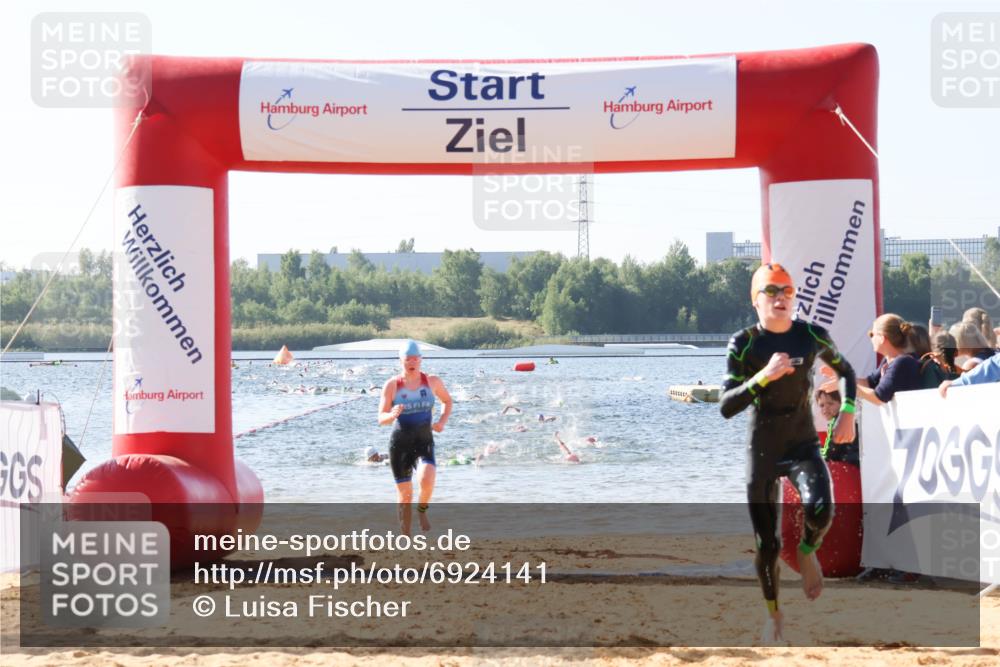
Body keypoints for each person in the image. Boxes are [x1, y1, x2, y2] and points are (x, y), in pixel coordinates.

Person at [720, 263, 856, 644]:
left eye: (788, 291)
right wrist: (764, 376)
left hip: (800, 445)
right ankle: (774, 613)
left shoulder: (811, 335)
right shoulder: (743, 343)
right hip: (762, 449)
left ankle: (808, 550)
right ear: (755, 300)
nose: (781, 298)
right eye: (772, 291)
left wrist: (847, 410)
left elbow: (845, 371)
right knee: (767, 545)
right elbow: (726, 405)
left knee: (821, 508)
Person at [378, 340, 453, 535]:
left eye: (415, 359)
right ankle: (405, 534)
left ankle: (422, 511)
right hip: (400, 444)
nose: (411, 363)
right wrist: (392, 414)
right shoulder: (392, 385)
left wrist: (442, 421)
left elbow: (447, 401)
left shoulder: (432, 381)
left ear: (421, 360)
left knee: (427, 480)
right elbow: (381, 418)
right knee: (405, 495)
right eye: (407, 359)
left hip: (424, 441)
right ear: (400, 361)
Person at [856, 315, 922, 405]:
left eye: (872, 334)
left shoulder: (902, 363)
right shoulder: (890, 361)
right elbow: (869, 383)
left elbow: (879, 398)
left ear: (882, 338)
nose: (871, 338)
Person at [814, 388, 860, 466]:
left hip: (852, 465)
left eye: (830, 403)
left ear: (842, 403)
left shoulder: (839, 423)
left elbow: (830, 454)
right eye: (822, 405)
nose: (825, 408)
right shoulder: (840, 420)